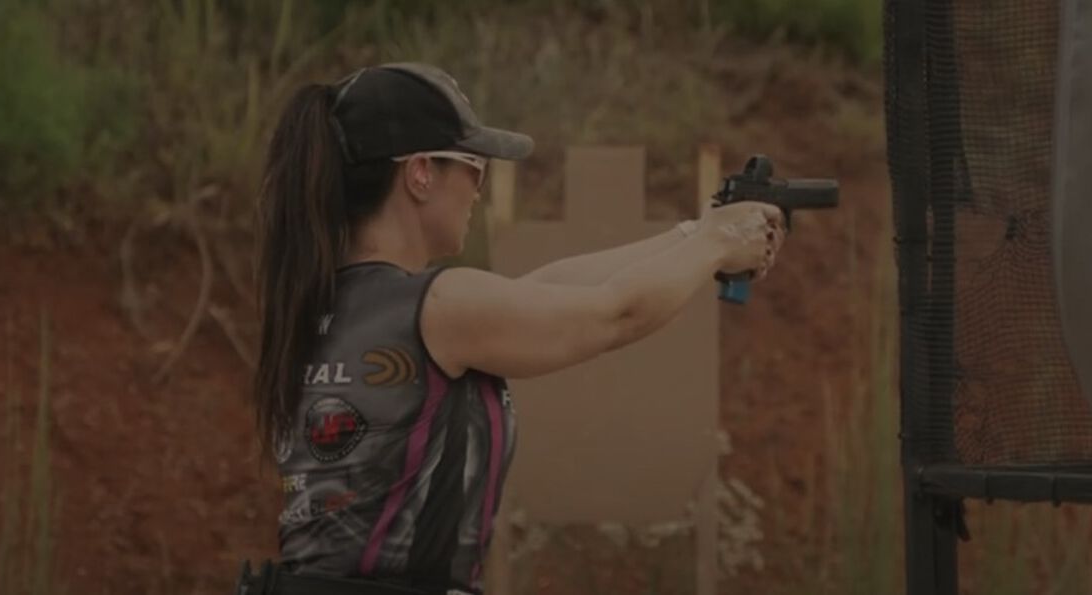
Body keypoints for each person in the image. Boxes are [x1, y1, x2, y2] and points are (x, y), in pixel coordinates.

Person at [237, 62, 786, 595]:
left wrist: (694, 235)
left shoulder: (324, 304)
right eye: (475, 168)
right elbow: (616, 312)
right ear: (420, 173)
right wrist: (717, 242)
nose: (479, 188)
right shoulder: (442, 306)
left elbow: (544, 290)